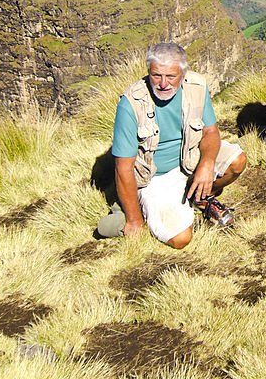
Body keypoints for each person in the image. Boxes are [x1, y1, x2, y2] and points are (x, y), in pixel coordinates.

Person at [98, 42, 247, 248]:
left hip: (191, 157)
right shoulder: (130, 104)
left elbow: (210, 132)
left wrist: (207, 164)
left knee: (237, 161)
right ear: (149, 72)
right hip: (156, 177)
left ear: (183, 74)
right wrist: (134, 220)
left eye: (171, 76)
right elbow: (123, 167)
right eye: (156, 75)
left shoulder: (197, 86)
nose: (163, 84)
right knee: (180, 239)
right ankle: (135, 208)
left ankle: (200, 196)